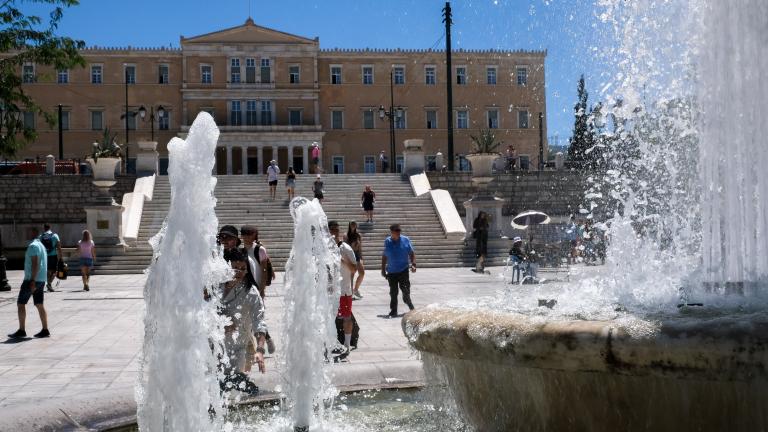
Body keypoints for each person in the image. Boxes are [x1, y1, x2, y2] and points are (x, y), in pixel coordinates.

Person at [217, 248, 267, 396]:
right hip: (211, 348)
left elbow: (259, 321)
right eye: (235, 268)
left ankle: (247, 387)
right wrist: (221, 319)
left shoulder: (250, 292)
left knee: (223, 385)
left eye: (243, 269)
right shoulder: (214, 285)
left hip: (235, 350)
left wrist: (259, 350)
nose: (238, 272)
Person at [8, 227, 49, 339]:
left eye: (28, 231)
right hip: (41, 279)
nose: (26, 233)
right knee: (39, 304)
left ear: (33, 233)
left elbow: (35, 264)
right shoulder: (41, 246)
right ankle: (45, 330)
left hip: (32, 280)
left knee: (21, 304)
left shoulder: (33, 246)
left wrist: (32, 280)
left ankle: (22, 330)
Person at [240, 225, 276, 354]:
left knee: (257, 316)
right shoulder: (241, 251)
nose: (248, 237)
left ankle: (266, 341)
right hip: (245, 288)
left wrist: (262, 289)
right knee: (248, 317)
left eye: (251, 234)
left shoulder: (260, 250)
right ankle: (265, 339)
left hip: (257, 287)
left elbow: (264, 271)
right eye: (245, 234)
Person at [329, 221, 358, 351]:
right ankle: (331, 344)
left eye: (336, 230)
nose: (333, 233)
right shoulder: (323, 248)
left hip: (344, 290)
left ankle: (346, 344)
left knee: (346, 318)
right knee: (328, 319)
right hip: (328, 292)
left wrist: (342, 260)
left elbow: (354, 269)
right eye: (331, 230)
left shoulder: (345, 248)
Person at [381, 224, 416, 318]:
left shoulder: (405, 239)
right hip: (392, 271)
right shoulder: (387, 241)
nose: (398, 233)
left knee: (405, 289)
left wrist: (413, 264)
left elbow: (411, 253)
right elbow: (385, 255)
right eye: (396, 231)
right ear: (392, 232)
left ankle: (410, 305)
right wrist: (383, 269)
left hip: (403, 269)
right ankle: (393, 310)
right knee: (393, 292)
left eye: (399, 231)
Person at [344, 221, 365, 300]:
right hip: (350, 256)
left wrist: (361, 257)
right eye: (352, 224)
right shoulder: (346, 235)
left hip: (357, 255)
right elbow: (345, 247)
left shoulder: (358, 235)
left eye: (354, 224)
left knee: (362, 273)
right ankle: (351, 293)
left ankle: (355, 289)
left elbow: (360, 247)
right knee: (351, 276)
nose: (353, 225)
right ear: (349, 225)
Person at [39, 223, 62, 292]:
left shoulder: (41, 236)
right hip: (53, 255)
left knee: (48, 270)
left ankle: (49, 284)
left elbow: (40, 247)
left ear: (44, 228)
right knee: (55, 271)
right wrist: (60, 256)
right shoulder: (55, 235)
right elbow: (59, 247)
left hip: (45, 256)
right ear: (50, 228)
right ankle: (49, 283)